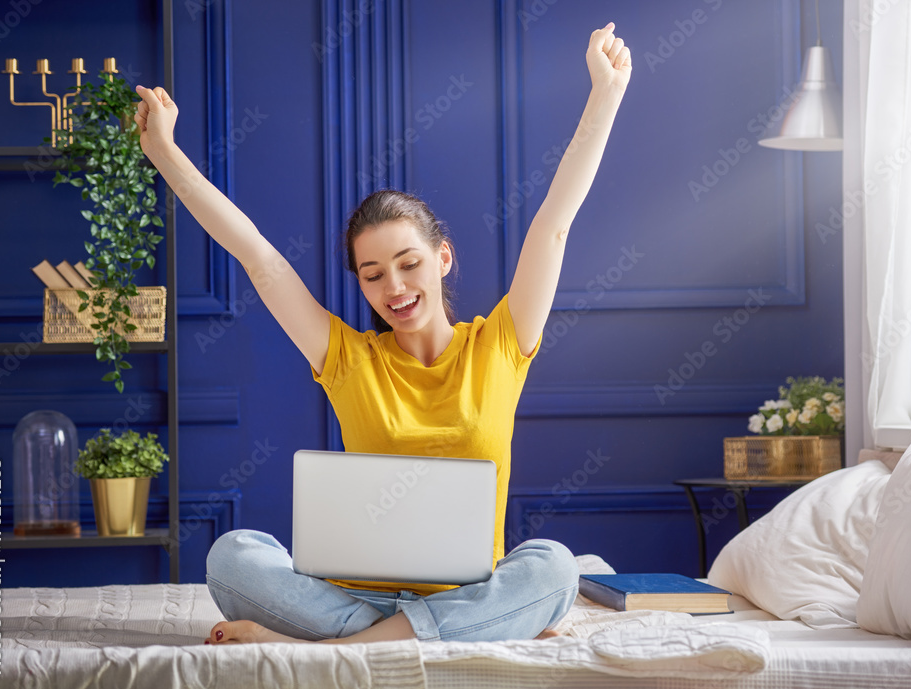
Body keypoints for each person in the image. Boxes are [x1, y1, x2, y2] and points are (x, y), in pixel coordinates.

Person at [134, 22, 631, 646]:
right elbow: (259, 258)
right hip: (356, 593)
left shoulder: (500, 344)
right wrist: (165, 155)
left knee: (554, 568)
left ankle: (343, 650)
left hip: (469, 588)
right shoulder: (348, 359)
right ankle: (438, 634)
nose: (394, 287)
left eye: (409, 263)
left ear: (442, 258)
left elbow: (552, 228)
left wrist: (605, 95)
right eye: (373, 275)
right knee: (232, 556)